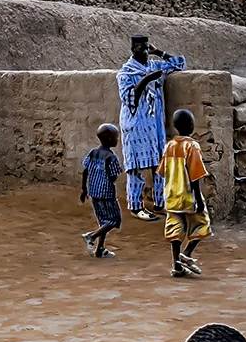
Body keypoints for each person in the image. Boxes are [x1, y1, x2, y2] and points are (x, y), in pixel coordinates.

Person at [118, 34, 188, 218]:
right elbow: (129, 99)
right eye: (141, 48)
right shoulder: (126, 73)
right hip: (136, 126)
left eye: (147, 48)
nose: (145, 52)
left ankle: (160, 203)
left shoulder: (154, 66)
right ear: (133, 50)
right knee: (135, 168)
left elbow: (179, 63)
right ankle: (136, 206)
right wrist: (146, 80)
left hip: (155, 127)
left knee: (158, 166)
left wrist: (160, 52)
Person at [161, 109, 212, 278]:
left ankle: (177, 266)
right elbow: (195, 173)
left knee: (174, 229)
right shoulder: (192, 145)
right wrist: (198, 197)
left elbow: (162, 171)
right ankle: (187, 253)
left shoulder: (169, 146)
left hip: (171, 195)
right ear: (191, 126)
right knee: (202, 223)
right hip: (188, 194)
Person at [79, 122, 123, 258]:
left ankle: (100, 249)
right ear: (110, 140)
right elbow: (113, 177)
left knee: (103, 222)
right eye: (116, 137)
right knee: (115, 220)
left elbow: (85, 171)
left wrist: (84, 189)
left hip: (93, 193)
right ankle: (91, 236)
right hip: (107, 194)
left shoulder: (93, 153)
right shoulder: (111, 157)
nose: (118, 139)